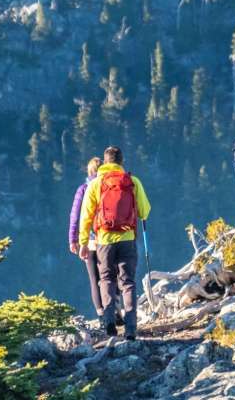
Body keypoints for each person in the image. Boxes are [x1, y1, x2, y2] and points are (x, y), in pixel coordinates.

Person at [78, 146, 151, 340]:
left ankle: (109, 323)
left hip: (104, 240)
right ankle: (130, 328)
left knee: (106, 279)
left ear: (105, 161)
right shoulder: (132, 181)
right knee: (127, 282)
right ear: (121, 161)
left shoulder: (96, 184)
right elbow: (144, 211)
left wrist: (83, 242)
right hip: (127, 239)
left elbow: (85, 216)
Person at [68, 157, 104, 318]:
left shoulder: (83, 189)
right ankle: (114, 308)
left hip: (88, 241)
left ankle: (101, 313)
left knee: (94, 278)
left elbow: (75, 216)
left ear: (88, 172)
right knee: (109, 276)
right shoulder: (108, 187)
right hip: (107, 238)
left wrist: (73, 239)